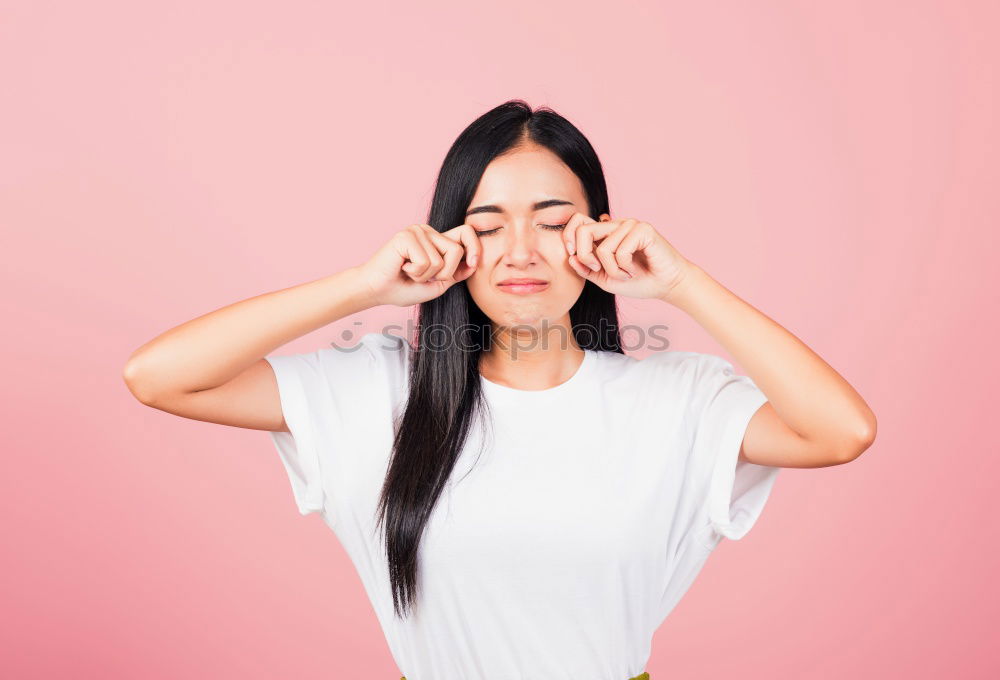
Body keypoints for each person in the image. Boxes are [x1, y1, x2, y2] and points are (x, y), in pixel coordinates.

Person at [122, 99, 877, 680]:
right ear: (450, 240)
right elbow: (157, 376)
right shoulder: (376, 393)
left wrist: (683, 284)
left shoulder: (677, 401)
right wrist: (362, 287)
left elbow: (841, 431)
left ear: (598, 235)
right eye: (486, 226)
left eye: (553, 223)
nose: (519, 251)